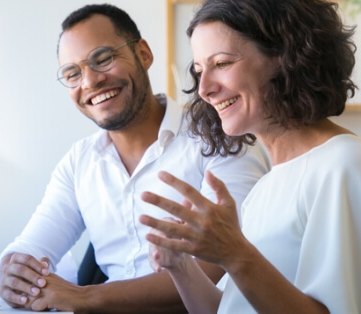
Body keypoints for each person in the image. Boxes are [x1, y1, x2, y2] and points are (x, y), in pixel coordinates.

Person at [0, 3, 271, 313]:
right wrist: (11, 272)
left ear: (143, 54)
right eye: (73, 74)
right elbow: (30, 248)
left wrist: (88, 297)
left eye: (102, 59)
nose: (89, 81)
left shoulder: (222, 137)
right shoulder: (79, 162)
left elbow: (218, 263)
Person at [139, 0, 361, 313]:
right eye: (200, 70)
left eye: (222, 63)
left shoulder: (343, 165)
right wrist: (180, 266)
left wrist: (235, 253)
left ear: (286, 56)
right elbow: (234, 308)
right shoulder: (266, 186)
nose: (203, 89)